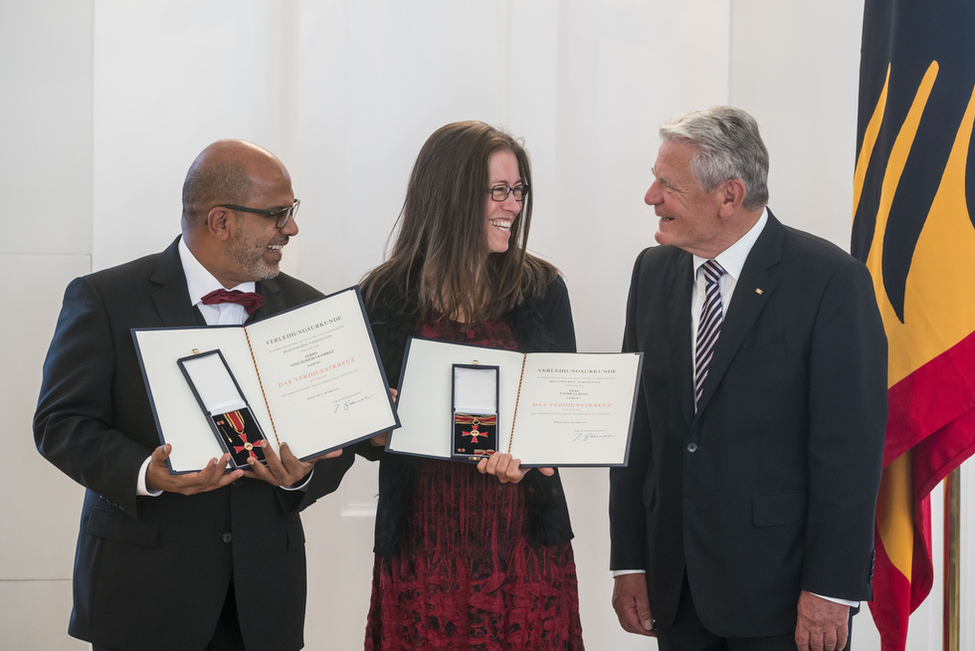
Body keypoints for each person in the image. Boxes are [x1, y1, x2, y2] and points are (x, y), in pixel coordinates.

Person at [33, 139, 355, 651]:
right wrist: (146, 473)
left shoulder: (307, 309)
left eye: (290, 213)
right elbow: (61, 424)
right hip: (142, 592)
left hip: (264, 600)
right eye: (277, 215)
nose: (290, 229)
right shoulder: (106, 298)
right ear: (220, 220)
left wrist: (304, 475)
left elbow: (340, 435)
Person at [609, 106, 887, 651]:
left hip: (783, 597)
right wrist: (630, 560)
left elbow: (849, 453)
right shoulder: (651, 271)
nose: (650, 196)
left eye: (668, 184)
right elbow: (634, 429)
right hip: (676, 589)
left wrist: (832, 588)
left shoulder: (831, 282)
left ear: (729, 196)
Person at [359, 120, 584, 649]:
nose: (513, 206)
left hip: (524, 544)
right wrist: (376, 426)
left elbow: (562, 415)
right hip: (421, 549)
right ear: (452, 196)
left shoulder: (543, 288)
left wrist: (531, 453)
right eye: (499, 191)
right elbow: (364, 436)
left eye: (519, 191)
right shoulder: (384, 294)